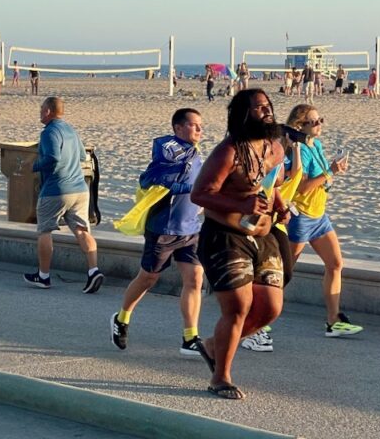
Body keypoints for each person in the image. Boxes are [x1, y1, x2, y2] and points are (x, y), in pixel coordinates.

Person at [190, 88, 290, 400]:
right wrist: (240, 206)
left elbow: (268, 184)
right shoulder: (228, 152)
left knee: (271, 308)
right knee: (238, 307)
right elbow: (200, 194)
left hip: (263, 235)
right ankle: (221, 377)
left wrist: (280, 204)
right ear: (243, 114)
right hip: (224, 236)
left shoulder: (275, 149)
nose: (267, 110)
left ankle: (211, 345)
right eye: (259, 107)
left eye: (268, 105)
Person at [111, 109, 205, 355]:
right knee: (148, 279)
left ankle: (190, 337)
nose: (199, 130)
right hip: (164, 229)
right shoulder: (168, 154)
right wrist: (186, 188)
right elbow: (147, 180)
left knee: (195, 279)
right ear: (178, 128)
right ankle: (121, 318)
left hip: (191, 230)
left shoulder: (195, 154)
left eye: (200, 126)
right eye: (194, 126)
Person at [283, 104, 362, 337]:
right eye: (314, 122)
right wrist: (330, 172)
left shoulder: (315, 144)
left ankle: (333, 320)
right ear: (300, 126)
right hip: (301, 218)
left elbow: (321, 180)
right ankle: (258, 317)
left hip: (319, 216)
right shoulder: (298, 150)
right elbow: (303, 187)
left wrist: (330, 172)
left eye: (321, 120)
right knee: (284, 272)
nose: (320, 125)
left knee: (336, 264)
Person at [24, 96, 103, 293]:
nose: (40, 111)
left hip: (55, 190)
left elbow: (52, 158)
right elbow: (82, 156)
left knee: (44, 230)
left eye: (41, 108)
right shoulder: (70, 130)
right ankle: (93, 271)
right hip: (79, 189)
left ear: (48, 111)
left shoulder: (49, 132)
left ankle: (43, 276)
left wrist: (35, 165)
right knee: (82, 230)